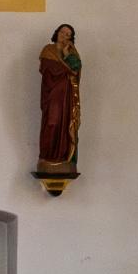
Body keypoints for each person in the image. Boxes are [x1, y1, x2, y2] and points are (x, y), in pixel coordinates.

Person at [37, 24, 82, 170]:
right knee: (52, 123)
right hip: (52, 94)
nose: (64, 35)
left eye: (68, 34)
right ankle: (47, 156)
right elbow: (47, 68)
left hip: (66, 97)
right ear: (57, 33)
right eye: (62, 32)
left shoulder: (71, 52)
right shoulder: (48, 50)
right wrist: (64, 68)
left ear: (71, 38)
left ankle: (63, 157)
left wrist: (66, 54)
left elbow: (76, 68)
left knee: (65, 124)